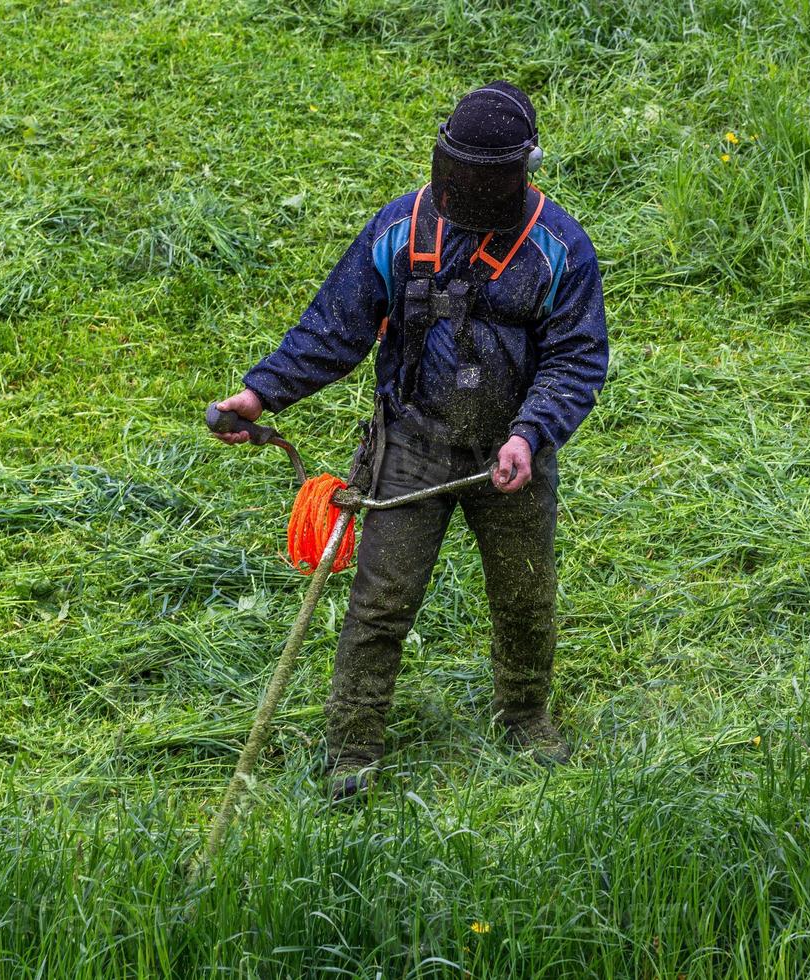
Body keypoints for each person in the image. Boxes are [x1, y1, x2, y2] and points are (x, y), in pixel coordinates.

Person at [212, 81, 608, 798]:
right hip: (411, 446)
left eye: (486, 178)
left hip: (511, 456)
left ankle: (524, 718)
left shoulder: (559, 248)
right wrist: (262, 391)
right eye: (458, 170)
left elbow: (576, 360)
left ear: (524, 170)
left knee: (524, 597)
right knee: (380, 604)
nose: (468, 189)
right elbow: (335, 328)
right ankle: (353, 751)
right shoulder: (400, 230)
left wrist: (530, 433)